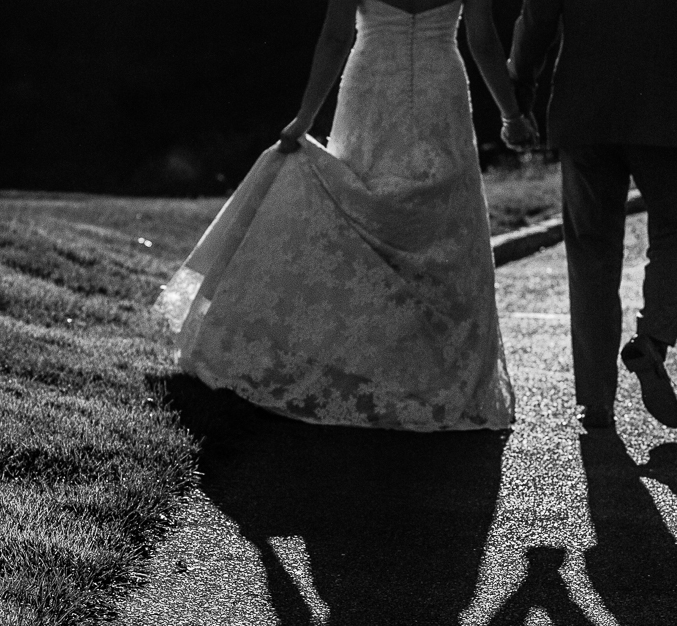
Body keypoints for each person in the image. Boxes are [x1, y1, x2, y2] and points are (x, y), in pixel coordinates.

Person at [156, 0, 535, 432]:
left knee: (363, 211)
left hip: (372, 83)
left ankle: (363, 364)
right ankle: (435, 374)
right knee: (440, 221)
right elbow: (483, 40)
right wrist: (511, 115)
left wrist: (305, 116)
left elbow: (336, 37)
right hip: (439, 86)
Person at [507, 0, 677, 430]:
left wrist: (519, 92)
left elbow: (537, 18)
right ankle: (652, 339)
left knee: (591, 250)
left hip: (585, 111)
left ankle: (595, 400)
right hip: (666, 111)